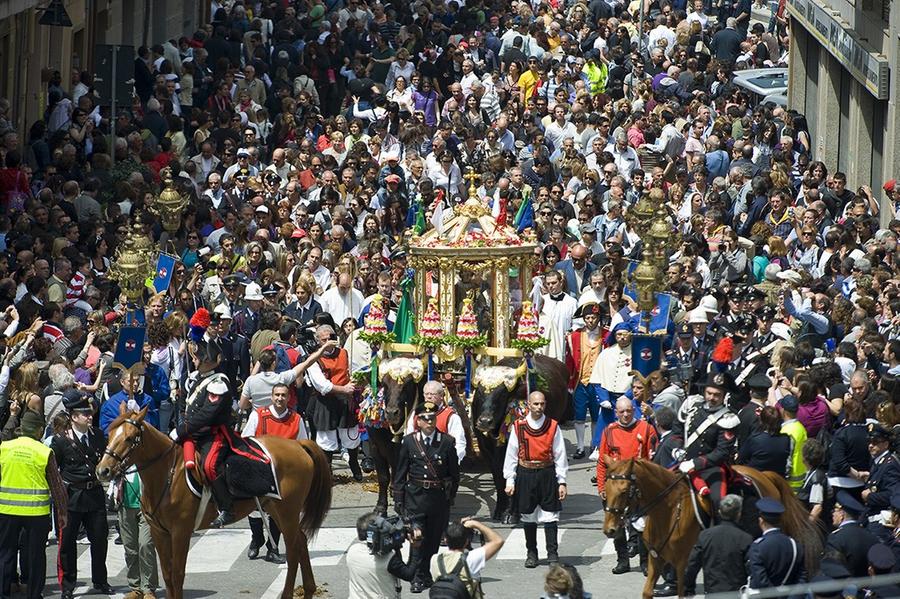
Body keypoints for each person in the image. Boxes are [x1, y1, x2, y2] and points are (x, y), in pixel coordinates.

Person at [392, 401, 460, 593]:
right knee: (417, 537)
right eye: (425, 418)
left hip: (438, 499)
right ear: (418, 421)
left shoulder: (446, 442)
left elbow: (454, 474)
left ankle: (425, 572)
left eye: (432, 418)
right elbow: (400, 474)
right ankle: (417, 576)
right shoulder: (409, 442)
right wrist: (399, 499)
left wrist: (450, 497)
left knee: (433, 539)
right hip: (415, 497)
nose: (429, 422)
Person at [52, 390, 114, 598]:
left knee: (100, 539)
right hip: (72, 496)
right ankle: (68, 586)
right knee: (68, 543)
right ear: (73, 416)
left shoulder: (97, 436)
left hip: (94, 493)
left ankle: (100, 580)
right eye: (84, 413)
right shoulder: (61, 441)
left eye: (90, 413)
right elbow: (55, 470)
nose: (89, 416)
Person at [0, 410, 67, 599]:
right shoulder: (43, 451)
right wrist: (62, 513)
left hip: (6, 510)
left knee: (5, 554)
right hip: (36, 513)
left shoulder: (4, 448)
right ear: (39, 431)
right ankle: (34, 594)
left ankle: (3, 593)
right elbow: (57, 486)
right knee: (36, 556)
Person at [241, 383, 308, 564]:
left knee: (278, 511)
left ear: (289, 398)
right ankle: (257, 539)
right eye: (277, 395)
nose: (280, 398)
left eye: (283, 395)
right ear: (272, 397)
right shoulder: (259, 415)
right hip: (260, 470)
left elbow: (303, 446)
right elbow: (246, 441)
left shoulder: (296, 419)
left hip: (284, 475)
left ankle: (273, 547)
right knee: (255, 509)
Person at [503, 391, 569, 569]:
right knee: (528, 515)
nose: (539, 407)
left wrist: (561, 481)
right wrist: (510, 480)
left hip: (547, 473)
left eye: (542, 404)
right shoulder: (518, 426)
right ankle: (531, 553)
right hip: (526, 473)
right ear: (529, 405)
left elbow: (560, 454)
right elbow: (511, 454)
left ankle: (552, 554)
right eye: (536, 404)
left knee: (550, 516)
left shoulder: (553, 426)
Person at [596, 396, 658, 574]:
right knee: (617, 524)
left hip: (639, 486)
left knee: (642, 525)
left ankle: (645, 562)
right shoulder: (609, 431)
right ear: (616, 412)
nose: (625, 414)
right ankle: (622, 561)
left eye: (628, 411)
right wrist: (601, 487)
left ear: (634, 410)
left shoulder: (646, 429)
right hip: (616, 489)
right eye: (621, 411)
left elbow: (653, 459)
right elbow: (602, 462)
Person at [677, 372, 740, 514]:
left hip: (710, 469)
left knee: (719, 503)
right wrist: (677, 449)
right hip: (683, 463)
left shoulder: (728, 419)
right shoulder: (693, 408)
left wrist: (695, 463)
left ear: (724, 396)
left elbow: (722, 452)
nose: (711, 398)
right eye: (709, 393)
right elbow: (677, 431)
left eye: (717, 395)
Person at [683, 494, 754, 596]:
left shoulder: (704, 536)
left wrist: (688, 589)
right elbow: (752, 570)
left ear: (720, 512)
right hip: (736, 594)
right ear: (739, 514)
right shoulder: (745, 538)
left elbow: (692, 566)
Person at [565, 302, 604, 459]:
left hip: (599, 382)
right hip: (581, 381)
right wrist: (569, 382)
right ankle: (580, 446)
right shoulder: (574, 336)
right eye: (587, 317)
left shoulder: (607, 335)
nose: (590, 320)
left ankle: (594, 446)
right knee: (579, 416)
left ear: (598, 318)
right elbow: (569, 360)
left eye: (593, 317)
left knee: (596, 416)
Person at [429, 518, 504, 598]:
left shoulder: (435, 559)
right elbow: (498, 540)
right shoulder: (471, 559)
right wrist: (476, 524)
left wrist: (457, 526)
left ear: (445, 540)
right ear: (467, 542)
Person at [746, 498, 806, 591]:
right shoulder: (795, 545)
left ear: (761, 521)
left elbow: (760, 581)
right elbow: (801, 578)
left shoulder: (758, 547)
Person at [404, 380, 466, 464]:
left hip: (441, 465)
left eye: (432, 394)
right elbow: (408, 439)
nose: (429, 397)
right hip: (418, 465)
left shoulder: (451, 417)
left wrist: (453, 463)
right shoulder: (415, 415)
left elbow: (459, 443)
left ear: (441, 396)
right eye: (426, 394)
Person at [826, 489, 879, 577]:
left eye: (835, 511)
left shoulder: (836, 537)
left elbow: (832, 568)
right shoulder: (871, 536)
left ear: (842, 514)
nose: (833, 514)